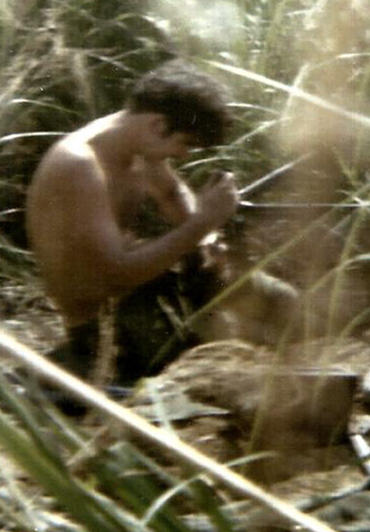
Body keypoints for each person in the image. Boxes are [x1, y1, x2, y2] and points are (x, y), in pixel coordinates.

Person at [25, 61, 239, 404]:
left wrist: (206, 239)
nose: (183, 155)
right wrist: (203, 222)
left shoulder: (135, 145)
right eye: (185, 143)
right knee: (228, 375)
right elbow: (116, 273)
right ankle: (67, 372)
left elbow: (172, 192)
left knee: (264, 308)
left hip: (143, 303)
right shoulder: (80, 166)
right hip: (104, 332)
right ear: (158, 125)